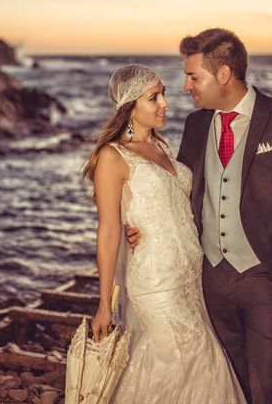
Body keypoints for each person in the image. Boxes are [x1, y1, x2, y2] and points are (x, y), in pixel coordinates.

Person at [126, 28, 272, 404]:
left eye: (194, 76)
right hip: (208, 276)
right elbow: (182, 194)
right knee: (228, 382)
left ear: (223, 74)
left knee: (268, 385)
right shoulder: (196, 125)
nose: (186, 86)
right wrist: (144, 228)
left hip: (268, 275)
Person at [83, 64, 246, 403]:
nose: (164, 103)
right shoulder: (112, 157)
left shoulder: (162, 147)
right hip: (155, 282)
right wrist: (104, 305)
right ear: (129, 106)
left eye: (163, 94)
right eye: (152, 97)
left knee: (198, 364)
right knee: (179, 358)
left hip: (189, 278)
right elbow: (110, 231)